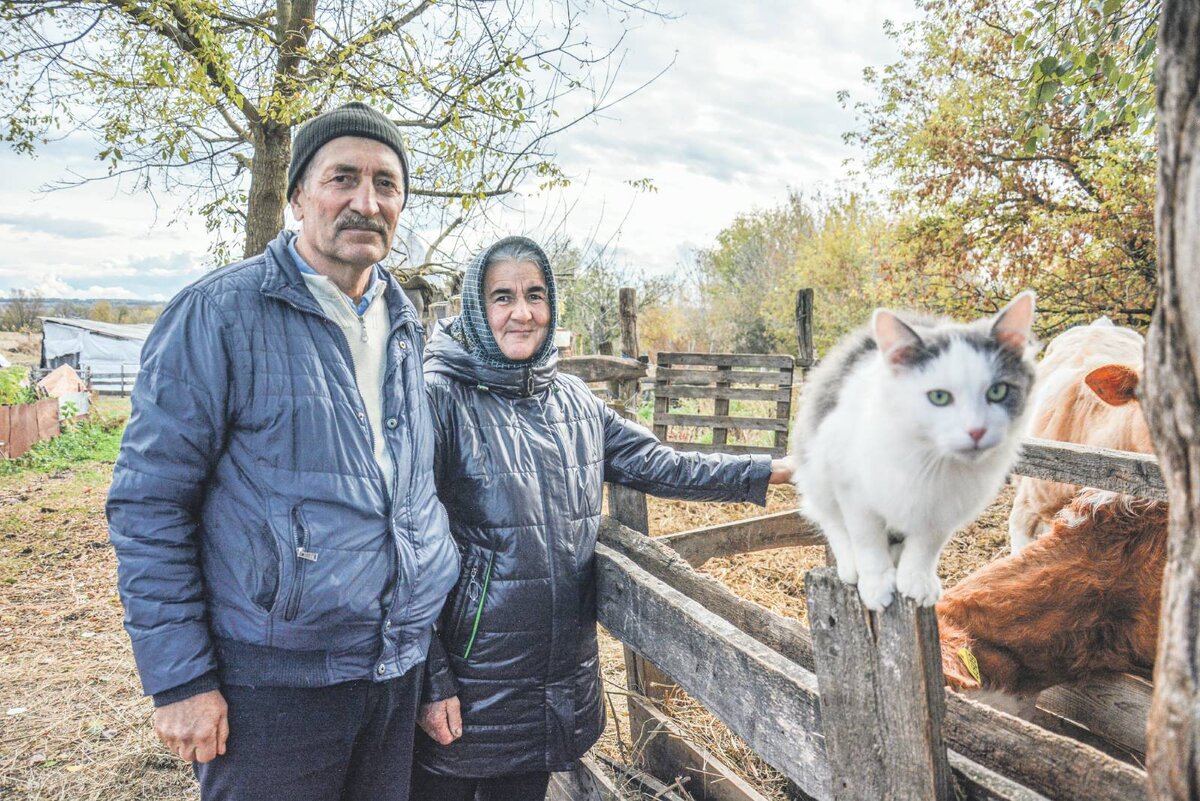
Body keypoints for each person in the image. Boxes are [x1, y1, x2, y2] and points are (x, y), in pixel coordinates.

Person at [106, 101, 459, 801]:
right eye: (342, 179)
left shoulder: (405, 324)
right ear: (298, 194)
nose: (366, 202)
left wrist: (431, 664)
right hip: (272, 682)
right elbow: (149, 503)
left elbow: (408, 503)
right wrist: (181, 679)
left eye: (386, 184)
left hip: (392, 673)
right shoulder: (220, 314)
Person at [411, 237, 793, 800]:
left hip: (553, 678)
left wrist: (773, 471)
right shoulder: (438, 400)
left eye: (535, 295)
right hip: (466, 684)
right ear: (475, 306)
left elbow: (665, 465)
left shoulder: (573, 403)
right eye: (503, 297)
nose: (523, 312)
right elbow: (403, 549)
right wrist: (430, 680)